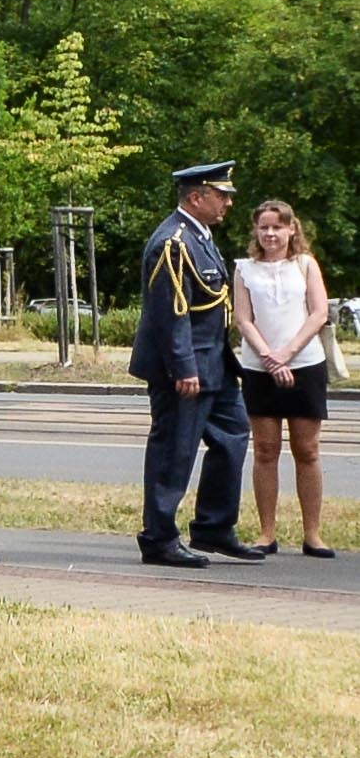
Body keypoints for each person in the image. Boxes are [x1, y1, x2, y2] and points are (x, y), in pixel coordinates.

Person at [130, 161, 263, 567]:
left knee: (233, 435)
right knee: (175, 450)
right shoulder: (173, 242)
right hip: (185, 367)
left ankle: (214, 527)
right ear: (195, 197)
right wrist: (182, 367)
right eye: (221, 195)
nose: (227, 202)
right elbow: (171, 313)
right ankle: (159, 538)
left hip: (215, 363)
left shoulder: (199, 236)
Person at [233, 199, 335, 558]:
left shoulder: (305, 265)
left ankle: (313, 534)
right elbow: (243, 319)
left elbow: (319, 312)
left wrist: (287, 353)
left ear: (292, 229)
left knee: (306, 450)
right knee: (265, 450)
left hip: (305, 364)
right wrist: (269, 357)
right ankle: (266, 532)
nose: (271, 234)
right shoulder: (244, 269)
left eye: (278, 227)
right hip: (260, 367)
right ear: (256, 231)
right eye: (264, 227)